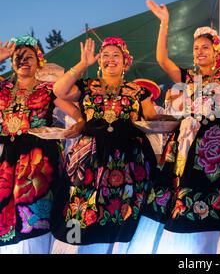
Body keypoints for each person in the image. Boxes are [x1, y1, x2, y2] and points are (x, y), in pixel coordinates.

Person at [145, 0, 220, 254]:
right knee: (182, 193)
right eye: (196, 49)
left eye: (205, 47)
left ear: (217, 51)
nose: (199, 52)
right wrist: (164, 24)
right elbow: (162, 60)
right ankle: (186, 248)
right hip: (187, 141)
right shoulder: (188, 78)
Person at [50, 37, 160, 253]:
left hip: (129, 157)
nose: (111, 59)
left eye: (116, 55)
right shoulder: (87, 86)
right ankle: (76, 244)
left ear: (126, 62)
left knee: (124, 205)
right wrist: (83, 64)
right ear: (99, 62)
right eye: (105, 55)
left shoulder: (138, 91)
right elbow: (58, 91)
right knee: (80, 203)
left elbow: (152, 119)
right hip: (90, 154)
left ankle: (116, 248)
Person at [0, 36, 84, 254]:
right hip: (8, 159)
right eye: (18, 57)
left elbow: (76, 113)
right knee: (6, 212)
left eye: (29, 56)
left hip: (39, 159)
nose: (22, 60)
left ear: (39, 61)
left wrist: (80, 123)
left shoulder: (48, 88)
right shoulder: (3, 87)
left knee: (35, 212)